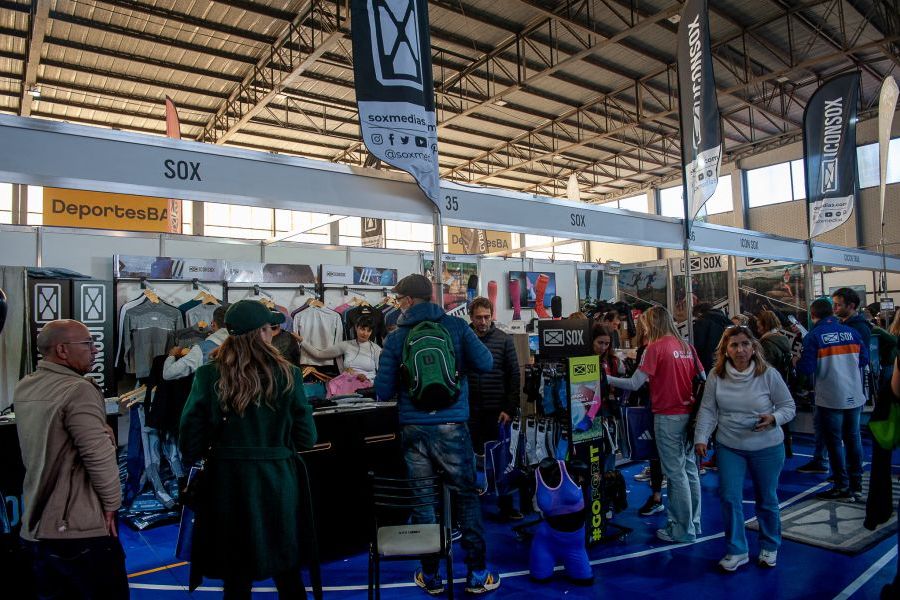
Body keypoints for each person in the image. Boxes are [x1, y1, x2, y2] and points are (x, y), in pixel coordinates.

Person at [180, 300, 317, 598]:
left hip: (227, 482)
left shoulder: (208, 375)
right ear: (261, 332)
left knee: (236, 571)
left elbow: (190, 437)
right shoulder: (289, 375)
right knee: (286, 566)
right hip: (278, 478)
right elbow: (307, 438)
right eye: (270, 328)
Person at [375, 274, 500, 595]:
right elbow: (486, 363)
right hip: (453, 426)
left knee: (424, 502)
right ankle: (477, 574)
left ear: (407, 300)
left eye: (399, 298)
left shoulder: (395, 337)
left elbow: (383, 390)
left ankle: (431, 575)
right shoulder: (457, 327)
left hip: (414, 430)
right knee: (467, 497)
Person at [14, 319, 128, 599]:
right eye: (88, 343)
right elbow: (97, 455)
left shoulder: (27, 386)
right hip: (78, 526)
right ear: (62, 350)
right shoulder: (77, 390)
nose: (96, 350)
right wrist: (112, 505)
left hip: (36, 522)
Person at [694, 326, 795, 572]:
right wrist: (701, 437)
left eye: (744, 344)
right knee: (729, 498)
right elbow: (708, 409)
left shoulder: (768, 374)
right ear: (726, 350)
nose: (740, 350)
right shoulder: (716, 377)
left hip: (767, 447)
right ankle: (736, 550)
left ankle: (770, 546)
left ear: (753, 347)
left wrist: (773, 418)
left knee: (767, 499)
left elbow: (788, 406)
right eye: (734, 345)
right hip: (730, 446)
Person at [607, 306, 703, 543]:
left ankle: (681, 529)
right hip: (689, 415)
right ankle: (693, 523)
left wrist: (605, 378)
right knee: (689, 470)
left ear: (652, 324)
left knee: (676, 473)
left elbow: (635, 383)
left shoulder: (655, 348)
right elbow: (703, 379)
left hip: (667, 415)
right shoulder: (686, 347)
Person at [796, 298, 868, 502]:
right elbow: (864, 360)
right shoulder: (852, 333)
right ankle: (857, 484)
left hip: (830, 396)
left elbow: (806, 369)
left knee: (834, 442)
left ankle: (841, 486)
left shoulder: (814, 336)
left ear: (812, 314)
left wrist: (796, 362)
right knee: (854, 439)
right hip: (854, 394)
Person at [467, 296, 523, 521]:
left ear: (492, 316)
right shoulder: (464, 339)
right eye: (478, 317)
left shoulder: (503, 339)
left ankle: (505, 504)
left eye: (487, 317)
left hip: (496, 410)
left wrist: (509, 408)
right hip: (469, 410)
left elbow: (514, 375)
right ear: (470, 317)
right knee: (466, 461)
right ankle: (469, 507)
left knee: (501, 460)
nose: (483, 321)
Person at [756, 309, 794, 457]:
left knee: (773, 418)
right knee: (783, 416)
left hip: (770, 385)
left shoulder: (766, 343)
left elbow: (765, 366)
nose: (757, 327)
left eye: (759, 324)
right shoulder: (782, 339)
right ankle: (787, 448)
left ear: (764, 324)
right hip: (784, 381)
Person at [299, 315, 382, 380]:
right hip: (348, 386)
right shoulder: (346, 345)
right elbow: (319, 354)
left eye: (368, 330)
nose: (365, 333)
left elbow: (382, 373)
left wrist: (367, 378)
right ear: (356, 328)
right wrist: (302, 341)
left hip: (369, 387)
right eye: (362, 329)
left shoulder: (376, 349)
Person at [163, 304, 229, 379]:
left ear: (213, 324)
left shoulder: (203, 348)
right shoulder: (244, 343)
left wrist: (172, 355)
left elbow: (168, 373)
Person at [693, 303, 730, 373]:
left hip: (708, 361)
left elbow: (698, 345)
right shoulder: (726, 320)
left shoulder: (702, 322)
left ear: (699, 313)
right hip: (727, 359)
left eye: (696, 316)